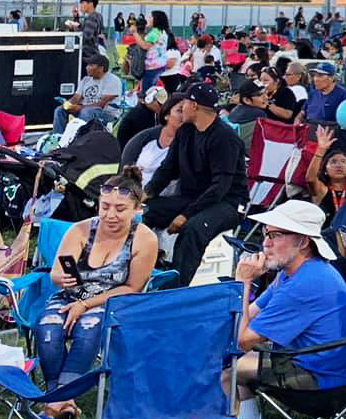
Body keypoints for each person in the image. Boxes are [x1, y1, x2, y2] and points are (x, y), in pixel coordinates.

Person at [227, 201, 346, 419]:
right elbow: (250, 314)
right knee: (230, 357)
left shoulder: (306, 283)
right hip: (315, 362)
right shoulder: (293, 273)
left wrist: (243, 282)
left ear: (302, 242)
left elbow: (242, 337)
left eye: (275, 235)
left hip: (322, 380)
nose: (266, 243)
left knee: (226, 371)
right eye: (265, 234)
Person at [33, 173, 160, 387]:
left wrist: (84, 305)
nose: (110, 214)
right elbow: (55, 273)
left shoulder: (144, 239)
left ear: (137, 210)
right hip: (71, 296)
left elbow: (132, 288)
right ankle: (58, 397)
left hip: (113, 302)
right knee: (48, 327)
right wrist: (62, 279)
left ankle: (61, 396)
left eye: (120, 209)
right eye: (105, 207)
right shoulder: (80, 230)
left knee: (88, 330)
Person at [142, 84, 249, 283]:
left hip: (228, 202)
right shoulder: (185, 132)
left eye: (185, 104)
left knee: (193, 229)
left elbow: (220, 188)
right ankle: (144, 267)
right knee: (145, 212)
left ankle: (176, 287)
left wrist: (184, 215)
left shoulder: (225, 139)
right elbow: (168, 169)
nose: (182, 108)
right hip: (194, 197)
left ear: (194, 106)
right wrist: (145, 194)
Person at [57, 54, 125, 130]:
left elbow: (101, 104)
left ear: (101, 68)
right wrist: (68, 104)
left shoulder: (113, 80)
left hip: (107, 114)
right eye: (87, 65)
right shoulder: (86, 80)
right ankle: (59, 137)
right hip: (85, 110)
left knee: (86, 112)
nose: (87, 67)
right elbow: (76, 98)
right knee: (59, 110)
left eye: (91, 65)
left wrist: (80, 108)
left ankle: (81, 138)